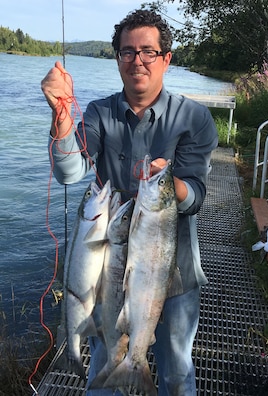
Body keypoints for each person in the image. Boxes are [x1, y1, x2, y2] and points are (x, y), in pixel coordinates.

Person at [41, 8, 218, 396]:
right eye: (127, 52)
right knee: (103, 370)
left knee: (176, 375)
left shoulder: (195, 118)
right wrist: (60, 116)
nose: (137, 60)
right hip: (110, 269)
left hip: (174, 271)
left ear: (166, 59)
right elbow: (71, 173)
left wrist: (167, 184)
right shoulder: (100, 112)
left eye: (148, 52)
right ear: (118, 58)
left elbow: (196, 197)